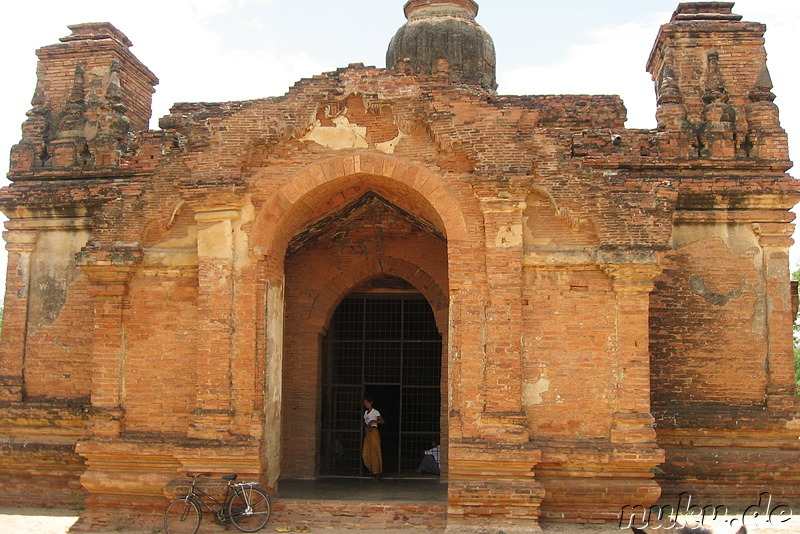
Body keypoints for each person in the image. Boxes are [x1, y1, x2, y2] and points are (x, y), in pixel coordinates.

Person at [362, 396, 384, 478]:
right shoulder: (365, 413)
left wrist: (373, 421)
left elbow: (382, 421)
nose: (366, 404)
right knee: (366, 452)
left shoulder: (375, 412)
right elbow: (364, 422)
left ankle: (377, 471)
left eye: (367, 402)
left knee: (375, 451)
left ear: (371, 402)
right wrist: (366, 425)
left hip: (374, 432)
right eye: (364, 403)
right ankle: (371, 469)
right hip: (368, 432)